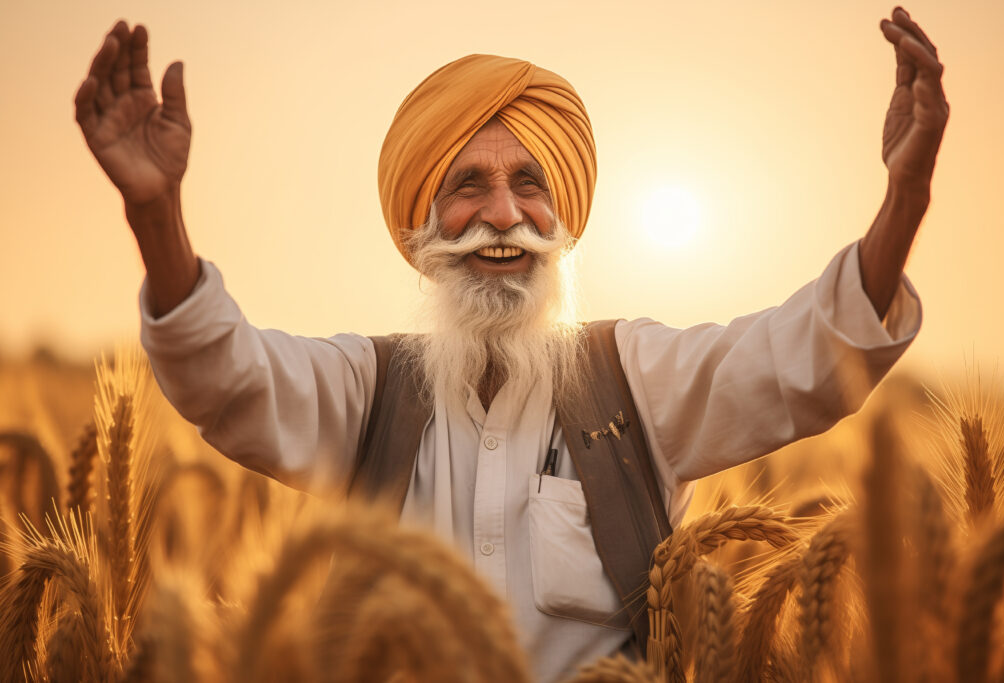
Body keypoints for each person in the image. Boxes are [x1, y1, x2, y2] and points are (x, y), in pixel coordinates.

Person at [75, 7, 946, 681]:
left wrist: (903, 197)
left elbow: (803, 359)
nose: (501, 217)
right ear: (420, 220)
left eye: (529, 182)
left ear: (563, 213)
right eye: (467, 186)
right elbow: (226, 378)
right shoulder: (364, 390)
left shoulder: (634, 379)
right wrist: (156, 214)